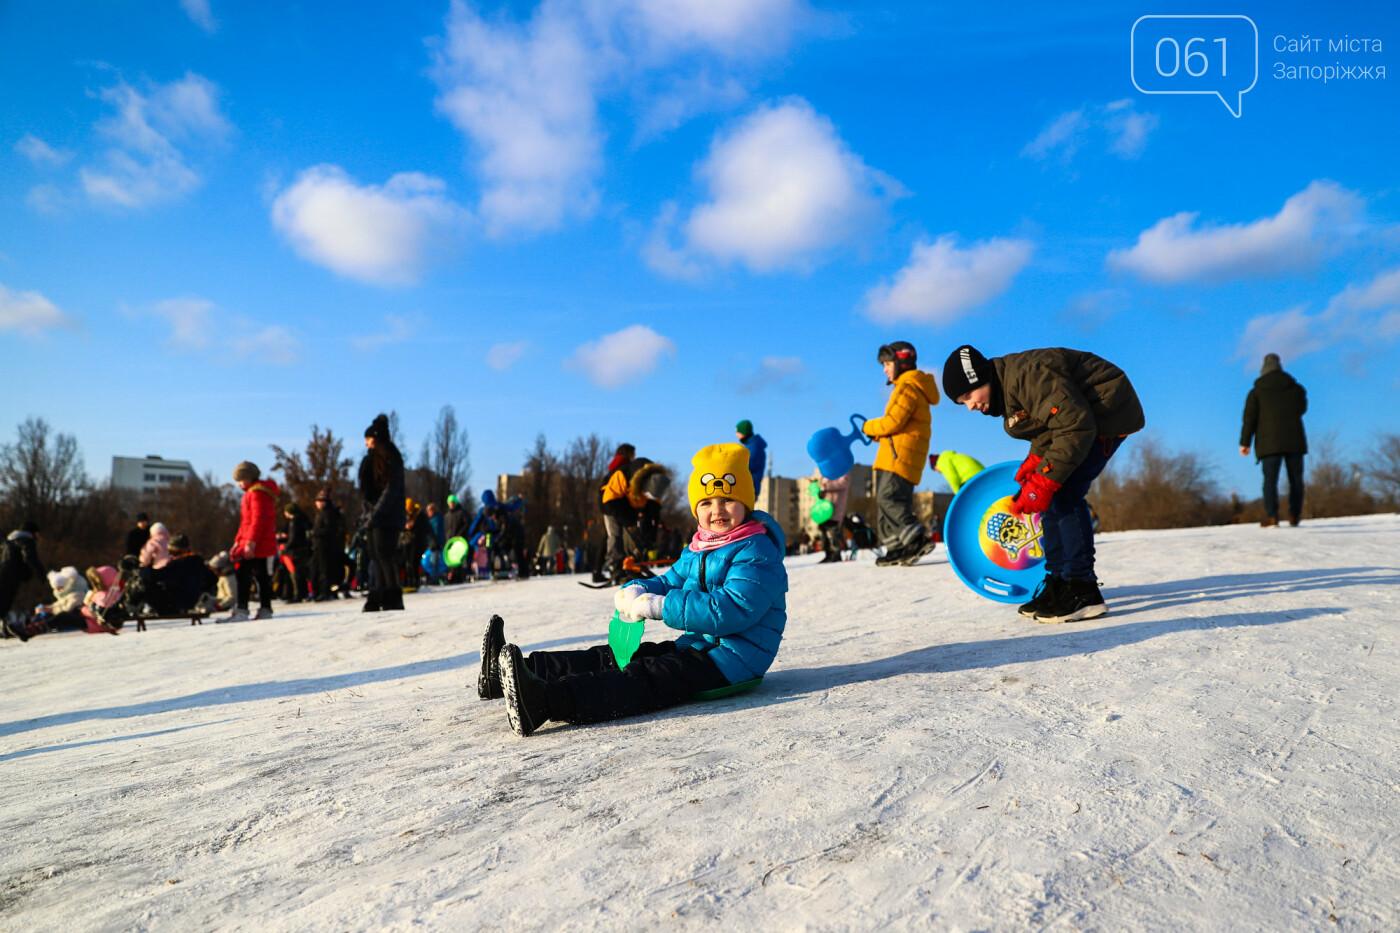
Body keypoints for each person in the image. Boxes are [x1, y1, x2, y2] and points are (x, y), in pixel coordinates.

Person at [480, 442, 788, 737]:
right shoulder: (700, 547)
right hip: (699, 649)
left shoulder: (757, 551)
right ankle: (513, 672)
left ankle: (545, 701)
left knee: (645, 677)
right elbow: (669, 581)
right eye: (706, 502)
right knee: (615, 656)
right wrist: (637, 587)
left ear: (746, 503)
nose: (717, 510)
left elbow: (731, 610)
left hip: (734, 661)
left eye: (728, 500)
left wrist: (661, 606)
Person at [942, 344, 1144, 623]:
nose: (970, 406)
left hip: (1106, 411)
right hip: (1081, 419)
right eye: (962, 402)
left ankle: (1081, 587)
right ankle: (1058, 581)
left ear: (981, 377)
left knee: (1065, 492)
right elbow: (1049, 422)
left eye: (969, 396)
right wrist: (1036, 458)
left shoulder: (1027, 376)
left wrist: (1044, 481)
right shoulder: (1010, 388)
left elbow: (1074, 425)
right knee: (1051, 497)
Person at [862, 341, 941, 567]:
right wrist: (879, 435)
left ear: (900, 363)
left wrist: (868, 427)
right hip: (900, 454)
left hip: (900, 457)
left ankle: (915, 538)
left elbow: (893, 421)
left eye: (887, 364)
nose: (885, 369)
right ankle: (896, 546)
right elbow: (901, 425)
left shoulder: (907, 387)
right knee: (888, 500)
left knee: (889, 498)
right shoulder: (911, 387)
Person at [1240, 353, 1308, 528]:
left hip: (1268, 442)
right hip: (1294, 440)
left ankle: (1272, 516)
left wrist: (1245, 442)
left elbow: (1250, 418)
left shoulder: (1256, 392)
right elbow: (1301, 409)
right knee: (1296, 479)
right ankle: (1294, 514)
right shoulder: (1296, 389)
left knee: (1270, 480)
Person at [599, 448, 671, 583]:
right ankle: (615, 567)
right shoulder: (623, 476)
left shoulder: (655, 485)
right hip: (609, 501)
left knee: (634, 537)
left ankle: (631, 565)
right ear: (643, 486)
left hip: (628, 503)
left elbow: (653, 514)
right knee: (615, 535)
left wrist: (649, 536)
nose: (649, 498)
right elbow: (611, 502)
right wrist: (629, 523)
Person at [358, 413, 406, 612]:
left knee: (385, 556)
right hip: (376, 516)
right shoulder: (372, 460)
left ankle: (392, 596)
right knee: (376, 556)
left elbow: (392, 488)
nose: (366, 444)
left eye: (369, 440)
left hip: (387, 516)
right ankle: (377, 594)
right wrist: (367, 514)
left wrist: (377, 512)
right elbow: (369, 491)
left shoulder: (389, 457)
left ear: (376, 439)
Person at [225, 461, 279, 622]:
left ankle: (243, 608)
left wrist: (250, 542)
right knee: (260, 576)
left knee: (244, 574)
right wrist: (238, 541)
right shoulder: (254, 493)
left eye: (240, 479)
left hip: (257, 543)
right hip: (254, 541)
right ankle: (265, 608)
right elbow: (246, 522)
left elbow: (257, 520)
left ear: (249, 478)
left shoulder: (257, 494)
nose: (239, 483)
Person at [0, 522, 46, 639]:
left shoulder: (7, 541)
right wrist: (41, 574)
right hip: (11, 576)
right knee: (5, 602)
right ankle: (3, 629)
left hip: (2, 573)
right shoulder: (26, 540)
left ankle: (3, 627)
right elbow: (29, 557)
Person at [310, 486, 344, 600]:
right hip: (321, 544)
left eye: (318, 501)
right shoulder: (324, 513)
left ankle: (324, 592)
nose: (316, 503)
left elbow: (329, 529)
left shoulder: (327, 513)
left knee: (324, 569)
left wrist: (315, 532)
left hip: (324, 545)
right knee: (317, 568)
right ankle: (319, 592)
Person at [811, 471, 850, 563]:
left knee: (832, 529)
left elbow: (844, 483)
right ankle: (828, 554)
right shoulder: (825, 469)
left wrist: (825, 486)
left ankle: (835, 554)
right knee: (823, 529)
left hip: (835, 505)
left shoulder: (842, 468)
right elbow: (821, 482)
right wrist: (816, 484)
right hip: (823, 507)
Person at [279, 502, 313, 602]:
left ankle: (298, 595)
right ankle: (304, 593)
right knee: (303, 572)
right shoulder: (303, 519)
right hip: (304, 549)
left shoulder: (294, 522)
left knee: (296, 573)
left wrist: (286, 548)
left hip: (296, 551)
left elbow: (293, 538)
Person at [735, 420, 767, 496]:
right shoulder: (752, 446)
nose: (736, 435)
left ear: (743, 432)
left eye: (737, 432)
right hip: (748, 487)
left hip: (748, 488)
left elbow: (746, 466)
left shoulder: (754, 447)